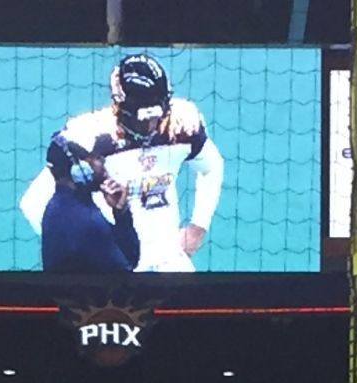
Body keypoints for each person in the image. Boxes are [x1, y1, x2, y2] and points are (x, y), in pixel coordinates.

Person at [21, 52, 223, 276]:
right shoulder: (88, 138)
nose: (152, 125)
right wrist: (81, 254)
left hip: (169, 261)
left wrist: (197, 228)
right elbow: (33, 202)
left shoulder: (180, 126)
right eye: (144, 117)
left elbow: (211, 167)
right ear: (121, 107)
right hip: (114, 271)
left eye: (157, 113)